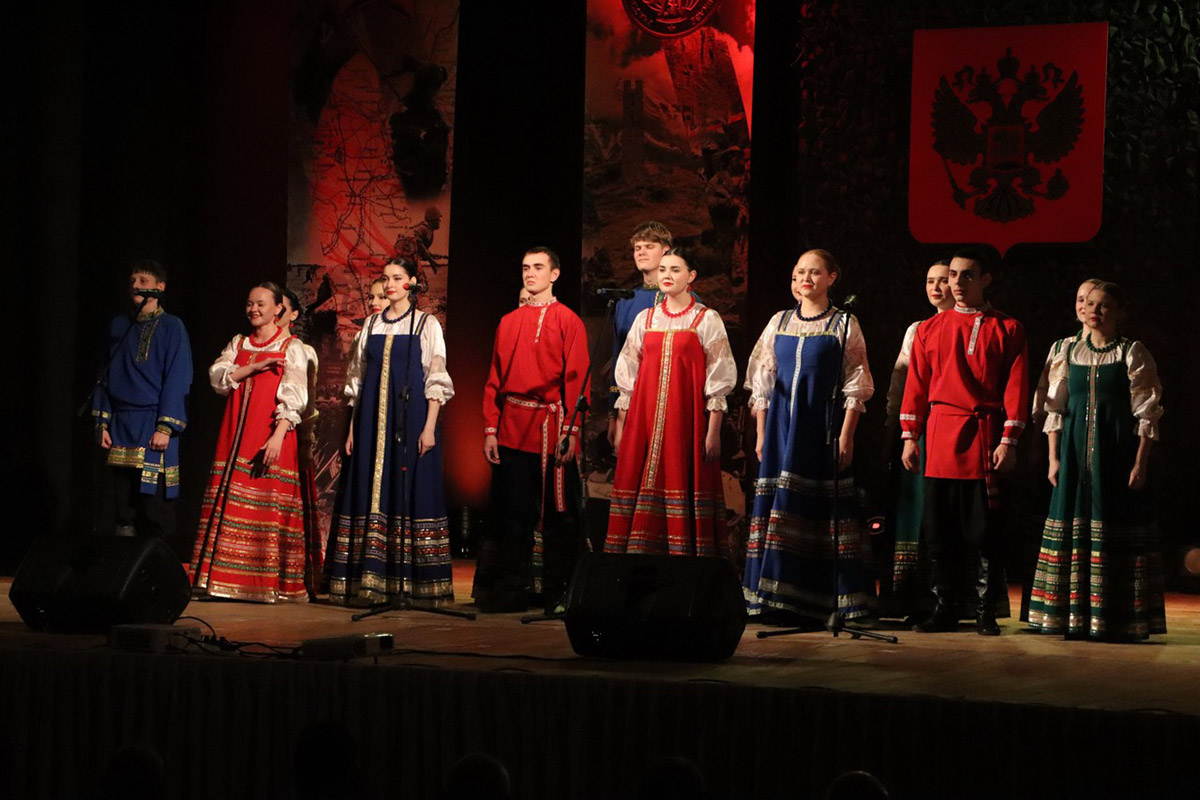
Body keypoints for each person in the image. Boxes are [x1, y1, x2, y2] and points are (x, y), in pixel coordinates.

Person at [901, 246, 1029, 635]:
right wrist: (910, 437)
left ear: (986, 279)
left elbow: (1017, 386)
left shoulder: (1007, 328)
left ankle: (985, 611)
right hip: (940, 434)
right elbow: (916, 385)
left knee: (985, 530)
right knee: (939, 530)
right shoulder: (928, 329)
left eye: (967, 275)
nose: (957, 282)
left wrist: (1008, 440)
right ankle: (944, 608)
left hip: (982, 435)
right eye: (953, 274)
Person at [1028, 282, 1166, 641]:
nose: (1094, 311)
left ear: (1120, 312)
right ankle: (1068, 617)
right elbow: (1055, 410)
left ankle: (1114, 618)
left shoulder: (1131, 352)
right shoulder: (1066, 350)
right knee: (1072, 524)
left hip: (1114, 453)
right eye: (1089, 304)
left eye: (1104, 306)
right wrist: (1053, 459)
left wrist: (1140, 464)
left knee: (1114, 523)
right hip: (1074, 455)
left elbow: (1146, 415)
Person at [742, 250, 875, 620]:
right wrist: (761, 433)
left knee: (820, 506)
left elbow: (856, 382)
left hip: (821, 426)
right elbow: (763, 381)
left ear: (831, 277)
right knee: (778, 501)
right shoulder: (779, 321)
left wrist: (846, 436)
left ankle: (820, 598)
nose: (806, 278)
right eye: (800, 271)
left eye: (815, 272)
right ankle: (773, 597)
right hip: (781, 428)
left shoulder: (843, 323)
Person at [325, 257, 455, 606]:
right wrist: (352, 429)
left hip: (409, 419)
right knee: (368, 488)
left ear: (412, 282)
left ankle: (412, 583)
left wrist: (429, 427)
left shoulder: (426, 324)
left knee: (408, 489)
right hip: (370, 419)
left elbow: (435, 377)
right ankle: (367, 580)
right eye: (386, 278)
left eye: (398, 278)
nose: (391, 284)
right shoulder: (370, 325)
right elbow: (357, 380)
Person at [477, 247, 589, 613]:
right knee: (512, 514)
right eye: (526, 267)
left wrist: (571, 431)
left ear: (554, 274)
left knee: (558, 515)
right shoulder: (508, 321)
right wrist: (491, 428)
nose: (530, 273)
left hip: (551, 428)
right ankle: (512, 590)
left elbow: (577, 380)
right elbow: (494, 378)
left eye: (538, 267)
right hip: (512, 426)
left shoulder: (568, 320)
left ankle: (558, 592)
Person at [605, 250, 736, 557]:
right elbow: (628, 374)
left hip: (685, 421)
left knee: (682, 478)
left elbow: (719, 376)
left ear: (691, 276)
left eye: (675, 269)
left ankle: (685, 560)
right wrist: (622, 426)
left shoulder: (706, 319)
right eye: (663, 269)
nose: (666, 275)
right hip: (644, 422)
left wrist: (712, 431)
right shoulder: (646, 318)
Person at [190, 282, 309, 602]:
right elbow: (218, 377)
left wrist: (278, 435)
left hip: (269, 434)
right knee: (230, 499)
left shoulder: (291, 347)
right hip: (235, 436)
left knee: (264, 506)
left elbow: (294, 398)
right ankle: (222, 581)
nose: (253, 309)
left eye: (260, 304)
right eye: (249, 304)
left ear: (278, 309)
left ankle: (262, 583)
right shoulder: (239, 343)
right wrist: (254, 366)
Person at [91, 260, 193, 538]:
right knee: (122, 504)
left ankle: (156, 561)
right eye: (133, 281)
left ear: (160, 287)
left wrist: (165, 427)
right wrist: (102, 422)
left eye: (143, 281)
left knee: (153, 504)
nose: (136, 286)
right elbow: (105, 375)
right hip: (120, 425)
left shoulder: (172, 326)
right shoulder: (119, 326)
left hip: (152, 424)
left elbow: (178, 377)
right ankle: (124, 560)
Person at [883, 260, 955, 620]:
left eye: (943, 280)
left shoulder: (971, 326)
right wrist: (895, 425)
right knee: (914, 508)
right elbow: (901, 381)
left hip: (951, 426)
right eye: (930, 281)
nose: (936, 288)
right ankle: (910, 595)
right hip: (919, 427)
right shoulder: (918, 329)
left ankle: (950, 596)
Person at [607, 221, 673, 446]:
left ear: (665, 250)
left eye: (649, 246)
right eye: (637, 248)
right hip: (630, 405)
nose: (641, 252)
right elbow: (618, 357)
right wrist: (613, 414)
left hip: (668, 404)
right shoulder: (625, 301)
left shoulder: (682, 299)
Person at [279, 288, 325, 597]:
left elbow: (307, 404)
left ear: (294, 314)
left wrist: (305, 440)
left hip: (293, 436)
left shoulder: (302, 350)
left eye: (282, 307)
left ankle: (296, 573)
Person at [1031, 278, 1103, 426]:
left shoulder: (1120, 350)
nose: (1084, 306)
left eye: (1090, 301)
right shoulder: (1061, 347)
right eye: (1081, 300)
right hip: (1064, 428)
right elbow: (1044, 393)